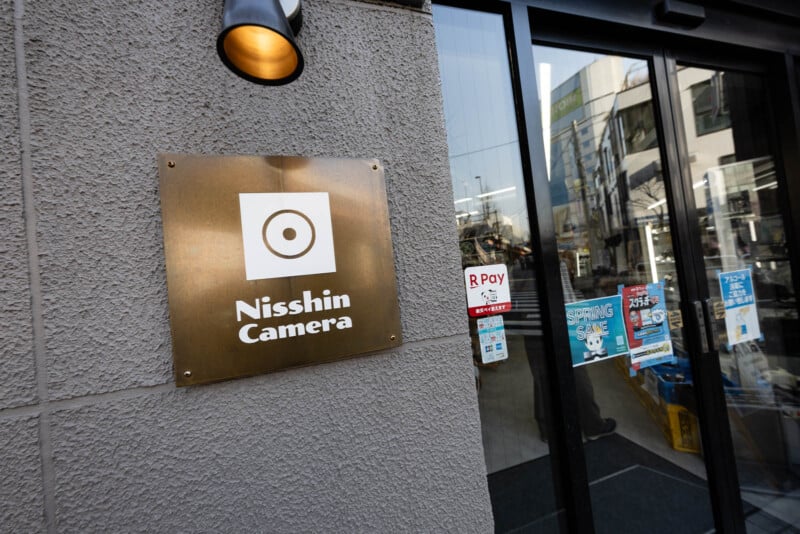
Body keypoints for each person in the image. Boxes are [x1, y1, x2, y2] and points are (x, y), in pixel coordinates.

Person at [528, 252, 616, 442]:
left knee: (542, 379)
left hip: (532, 330)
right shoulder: (554, 261)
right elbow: (567, 299)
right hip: (561, 325)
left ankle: (548, 431)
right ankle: (592, 425)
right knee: (577, 374)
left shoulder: (519, 267)